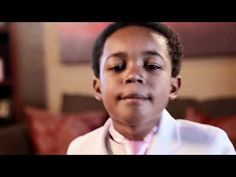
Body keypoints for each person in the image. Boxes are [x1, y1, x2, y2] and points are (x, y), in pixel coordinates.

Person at [67, 22, 235, 154]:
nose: (133, 75)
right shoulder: (79, 148)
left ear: (173, 86)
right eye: (117, 66)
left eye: (152, 66)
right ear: (98, 88)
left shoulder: (212, 144)